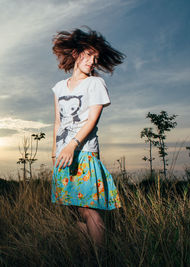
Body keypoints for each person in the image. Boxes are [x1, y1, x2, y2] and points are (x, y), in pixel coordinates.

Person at [50, 27, 125, 247]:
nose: (92, 61)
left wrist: (72, 145)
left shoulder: (95, 83)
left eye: (96, 58)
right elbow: (58, 122)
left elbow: (92, 119)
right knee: (75, 211)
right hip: (63, 155)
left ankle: (101, 259)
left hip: (84, 153)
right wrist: (55, 153)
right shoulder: (59, 87)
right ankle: (85, 256)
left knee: (90, 210)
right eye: (88, 55)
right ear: (76, 53)